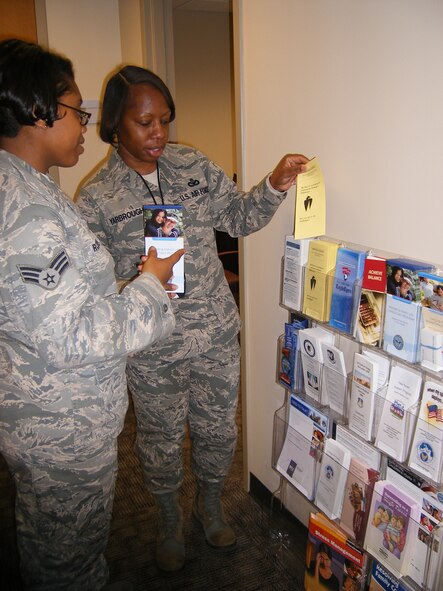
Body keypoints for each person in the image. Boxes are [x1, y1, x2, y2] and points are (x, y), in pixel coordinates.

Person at [76, 64, 308, 573]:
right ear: (115, 124)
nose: (158, 133)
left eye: (164, 119)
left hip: (215, 337)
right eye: (144, 122)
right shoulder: (96, 198)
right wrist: (135, 279)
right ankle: (166, 521)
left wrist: (274, 183)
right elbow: (94, 290)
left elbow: (240, 219)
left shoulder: (194, 167)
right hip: (153, 349)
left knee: (218, 431)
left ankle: (209, 506)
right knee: (158, 440)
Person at [0, 40, 183, 591]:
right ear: (39, 112)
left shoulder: (30, 190)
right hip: (61, 430)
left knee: (59, 549)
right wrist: (151, 283)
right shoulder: (28, 213)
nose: (85, 125)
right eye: (76, 111)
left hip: (52, 415)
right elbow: (72, 337)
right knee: (67, 563)